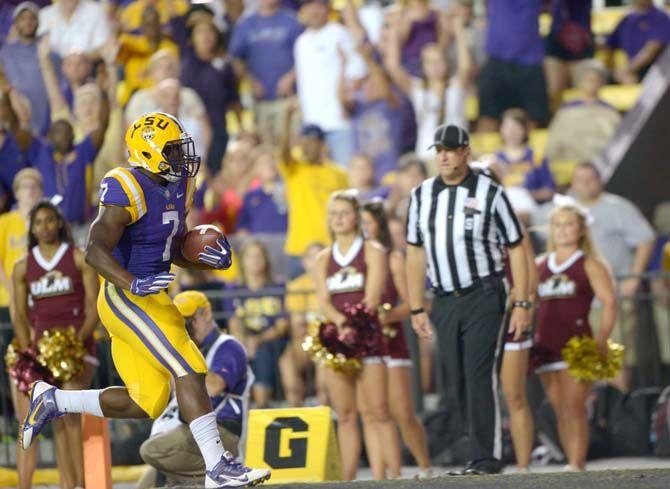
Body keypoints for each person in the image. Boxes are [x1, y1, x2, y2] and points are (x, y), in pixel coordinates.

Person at [19, 112, 270, 488]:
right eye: (172, 149)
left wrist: (202, 255)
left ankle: (54, 400)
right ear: (149, 151)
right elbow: (95, 250)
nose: (181, 157)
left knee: (146, 400)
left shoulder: (178, 181)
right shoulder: (127, 186)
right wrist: (133, 283)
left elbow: (172, 247)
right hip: (124, 295)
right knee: (188, 364)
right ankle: (217, 467)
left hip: (152, 293)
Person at [406, 124, 531, 475]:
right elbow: (414, 252)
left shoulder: (490, 192)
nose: (443, 156)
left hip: (484, 292)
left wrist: (522, 301)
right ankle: (475, 449)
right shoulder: (421, 195)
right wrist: (416, 305)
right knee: (455, 377)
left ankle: (487, 456)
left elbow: (517, 245)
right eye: (439, 150)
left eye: (450, 149)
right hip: (444, 297)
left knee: (478, 372)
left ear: (466, 152)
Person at [532, 162, 655, 389]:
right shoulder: (564, 208)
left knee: (610, 356)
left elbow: (645, 238)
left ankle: (616, 413)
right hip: (572, 303)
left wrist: (634, 277)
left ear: (600, 180)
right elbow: (533, 219)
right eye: (580, 179)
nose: (586, 184)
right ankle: (592, 415)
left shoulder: (617, 207)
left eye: (591, 179)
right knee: (573, 371)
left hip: (608, 296)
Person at [12, 200, 100, 489]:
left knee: (69, 414)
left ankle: (80, 483)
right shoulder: (23, 266)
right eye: (38, 223)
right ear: (32, 229)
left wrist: (76, 344)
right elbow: (20, 314)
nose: (44, 227)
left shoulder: (77, 258)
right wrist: (29, 351)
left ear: (59, 223)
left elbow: (94, 306)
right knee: (40, 418)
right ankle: (52, 483)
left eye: (50, 220)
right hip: (40, 353)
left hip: (78, 348)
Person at [314, 191, 400, 480]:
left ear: (356, 217)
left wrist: (353, 325)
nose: (337, 218)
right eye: (332, 213)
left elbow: (373, 296)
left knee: (377, 411)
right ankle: (348, 479)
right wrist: (339, 323)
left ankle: (390, 477)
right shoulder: (322, 258)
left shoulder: (373, 251)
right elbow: (323, 300)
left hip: (368, 338)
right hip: (337, 340)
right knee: (347, 414)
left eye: (344, 212)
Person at [532, 202, 617, 471]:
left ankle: (577, 464)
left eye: (569, 224)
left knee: (574, 407)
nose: (562, 230)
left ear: (580, 230)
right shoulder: (539, 264)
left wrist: (602, 340)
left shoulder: (589, 264)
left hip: (577, 345)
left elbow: (610, 303)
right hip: (545, 344)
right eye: (557, 225)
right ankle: (571, 461)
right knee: (558, 408)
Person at [138, 291, 253, 488]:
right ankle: (195, 481)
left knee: (152, 450)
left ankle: (219, 477)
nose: (185, 327)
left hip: (223, 432)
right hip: (185, 435)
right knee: (145, 484)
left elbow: (215, 387)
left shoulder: (228, 346)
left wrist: (182, 357)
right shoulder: (182, 352)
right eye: (179, 321)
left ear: (206, 314)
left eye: (189, 320)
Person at [360, 199, 432, 477]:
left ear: (379, 224)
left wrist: (383, 316)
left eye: (368, 221)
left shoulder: (392, 257)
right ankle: (382, 475)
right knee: (373, 412)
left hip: (390, 341)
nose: (364, 227)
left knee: (401, 411)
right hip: (365, 345)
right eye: (361, 222)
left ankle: (425, 466)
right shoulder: (354, 257)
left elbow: (412, 302)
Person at [386, 11, 469, 163]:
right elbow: (393, 67)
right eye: (429, 62)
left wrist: (458, 30)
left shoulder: (456, 86)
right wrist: (393, 30)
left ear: (446, 62)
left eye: (438, 60)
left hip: (458, 157)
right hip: (428, 156)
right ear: (423, 67)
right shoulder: (419, 90)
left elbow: (465, 65)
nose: (435, 66)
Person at [228, 239, 301, 408]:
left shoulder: (278, 286)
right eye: (250, 256)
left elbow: (282, 325)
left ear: (266, 260)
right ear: (243, 261)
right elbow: (234, 324)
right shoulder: (234, 290)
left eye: (259, 256)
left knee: (265, 351)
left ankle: (262, 405)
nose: (255, 261)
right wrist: (245, 342)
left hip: (274, 341)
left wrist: (258, 340)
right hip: (245, 342)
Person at [280, 101, 349, 278]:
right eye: (305, 141)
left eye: (314, 142)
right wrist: (287, 119)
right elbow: (283, 151)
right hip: (299, 249)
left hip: (330, 246)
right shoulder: (294, 168)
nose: (309, 146)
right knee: (296, 302)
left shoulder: (338, 173)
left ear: (322, 145)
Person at [294, 0, 367, 166]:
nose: (313, 11)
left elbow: (358, 72)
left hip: (339, 123)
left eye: (317, 5)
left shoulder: (340, 33)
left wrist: (348, 102)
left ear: (325, 7)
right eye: (308, 6)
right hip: (311, 126)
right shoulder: (300, 43)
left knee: (344, 175)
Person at [229, 0, 303, 144]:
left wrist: (290, 77)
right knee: (265, 150)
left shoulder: (292, 21)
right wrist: (250, 80)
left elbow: (305, 54)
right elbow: (235, 59)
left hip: (288, 99)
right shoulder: (246, 24)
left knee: (290, 148)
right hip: (260, 101)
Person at [181, 18, 241, 174]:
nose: (205, 36)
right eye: (200, 32)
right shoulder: (186, 67)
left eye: (209, 31)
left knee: (218, 173)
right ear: (192, 38)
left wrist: (241, 128)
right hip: (193, 133)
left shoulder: (224, 65)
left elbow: (234, 100)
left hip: (219, 128)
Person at [477, 0, 549, 131]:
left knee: (534, 120)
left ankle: (528, 152)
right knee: (487, 118)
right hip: (496, 60)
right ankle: (486, 152)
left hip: (530, 61)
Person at [545, 62, 621, 163]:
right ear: (580, 82)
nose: (591, 83)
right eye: (587, 80)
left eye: (595, 80)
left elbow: (615, 139)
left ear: (601, 83)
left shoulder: (609, 111)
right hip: (569, 160)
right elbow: (556, 139)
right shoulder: (567, 110)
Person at [0, 169, 43, 345]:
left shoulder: (47, 222)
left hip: (40, 296)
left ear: (41, 192)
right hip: (6, 298)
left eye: (34, 187)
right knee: (10, 353)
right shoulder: (5, 222)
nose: (30, 191)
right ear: (17, 193)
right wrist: (12, 291)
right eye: (25, 187)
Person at [0, 1, 51, 135]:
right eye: (23, 18)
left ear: (38, 22)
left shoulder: (48, 51)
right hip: (15, 120)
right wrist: (12, 94)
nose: (28, 22)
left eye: (32, 18)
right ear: (15, 23)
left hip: (46, 120)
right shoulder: (5, 52)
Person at [492, 108, 556, 205]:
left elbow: (549, 190)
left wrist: (525, 195)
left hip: (532, 208)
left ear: (525, 130)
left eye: (517, 128)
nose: (512, 133)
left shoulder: (537, 157)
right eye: (508, 128)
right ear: (501, 130)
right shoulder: (494, 159)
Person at [543, 0, 594, 110]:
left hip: (580, 42)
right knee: (553, 90)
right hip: (557, 41)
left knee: (586, 92)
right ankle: (558, 123)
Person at [606, 0, 670, 84]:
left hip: (655, 71)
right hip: (629, 70)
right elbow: (608, 46)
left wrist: (627, 70)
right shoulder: (627, 19)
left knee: (629, 81)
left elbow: (652, 49)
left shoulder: (661, 17)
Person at [37, 0, 111, 58]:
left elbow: (103, 47)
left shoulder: (95, 11)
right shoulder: (44, 15)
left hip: (89, 69)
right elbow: (37, 48)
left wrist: (76, 63)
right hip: (52, 70)